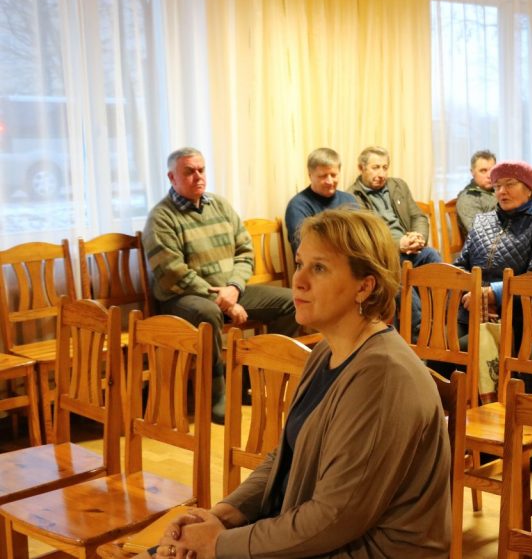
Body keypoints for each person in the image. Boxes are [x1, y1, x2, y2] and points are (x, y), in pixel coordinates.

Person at [148, 209, 451, 559]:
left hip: (367, 549)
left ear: (364, 286)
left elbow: (335, 517)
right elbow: (285, 456)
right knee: (164, 552)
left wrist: (218, 543)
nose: (299, 281)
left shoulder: (382, 376)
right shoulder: (326, 351)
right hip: (316, 534)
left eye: (319, 268)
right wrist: (221, 516)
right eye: (299, 264)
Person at [142, 147, 298, 425]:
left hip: (229, 291)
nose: (198, 176)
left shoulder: (221, 206)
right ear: (172, 177)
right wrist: (223, 300)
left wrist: (234, 288)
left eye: (201, 170)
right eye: (189, 172)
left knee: (291, 302)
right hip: (182, 298)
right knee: (208, 312)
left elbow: (245, 252)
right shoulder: (161, 218)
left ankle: (259, 380)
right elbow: (172, 273)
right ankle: (216, 396)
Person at [453, 160, 532, 398]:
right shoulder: (483, 220)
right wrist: (471, 293)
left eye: (510, 184)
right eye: (497, 186)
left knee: (459, 349)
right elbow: (460, 265)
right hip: (471, 308)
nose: (502, 191)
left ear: (529, 189)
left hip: (518, 316)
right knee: (437, 348)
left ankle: (481, 410)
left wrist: (492, 293)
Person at [346, 145, 443, 268]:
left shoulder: (399, 186)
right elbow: (365, 238)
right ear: (361, 168)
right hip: (382, 257)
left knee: (432, 257)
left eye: (385, 168)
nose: (381, 174)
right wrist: (399, 244)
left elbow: (418, 217)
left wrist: (418, 238)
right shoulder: (352, 196)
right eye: (375, 168)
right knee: (429, 257)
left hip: (409, 249)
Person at [284, 147, 359, 254]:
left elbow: (359, 237)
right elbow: (303, 249)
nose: (330, 181)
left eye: (333, 175)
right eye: (323, 176)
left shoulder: (349, 199)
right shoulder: (297, 206)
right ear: (310, 176)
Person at [455, 149, 497, 236]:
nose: (489, 175)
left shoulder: (500, 190)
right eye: (483, 171)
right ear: (472, 172)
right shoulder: (468, 198)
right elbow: (480, 233)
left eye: (493, 170)